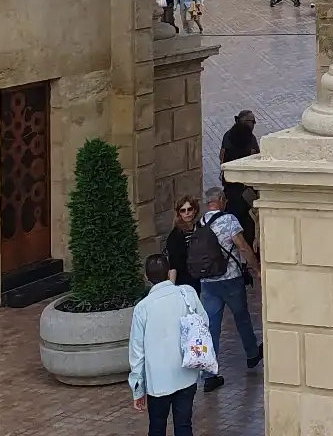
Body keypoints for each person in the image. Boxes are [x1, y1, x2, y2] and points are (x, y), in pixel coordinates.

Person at [128, 254, 206, 436]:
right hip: (187, 372)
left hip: (158, 380)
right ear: (169, 272)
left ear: (146, 277)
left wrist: (138, 389)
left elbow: (137, 352)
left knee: (157, 427)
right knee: (184, 426)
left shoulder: (142, 308)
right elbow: (204, 324)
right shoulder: (188, 293)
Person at [194, 188, 262, 390]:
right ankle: (252, 354)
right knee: (242, 317)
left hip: (208, 281)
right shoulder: (229, 220)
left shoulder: (200, 223)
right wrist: (256, 269)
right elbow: (242, 246)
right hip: (230, 279)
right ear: (221, 200)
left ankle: (209, 374)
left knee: (211, 327)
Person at [219, 110, 260, 246]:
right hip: (245, 191)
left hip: (230, 188)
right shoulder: (250, 140)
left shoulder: (227, 136)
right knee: (248, 226)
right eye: (253, 122)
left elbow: (222, 157)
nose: (253, 125)